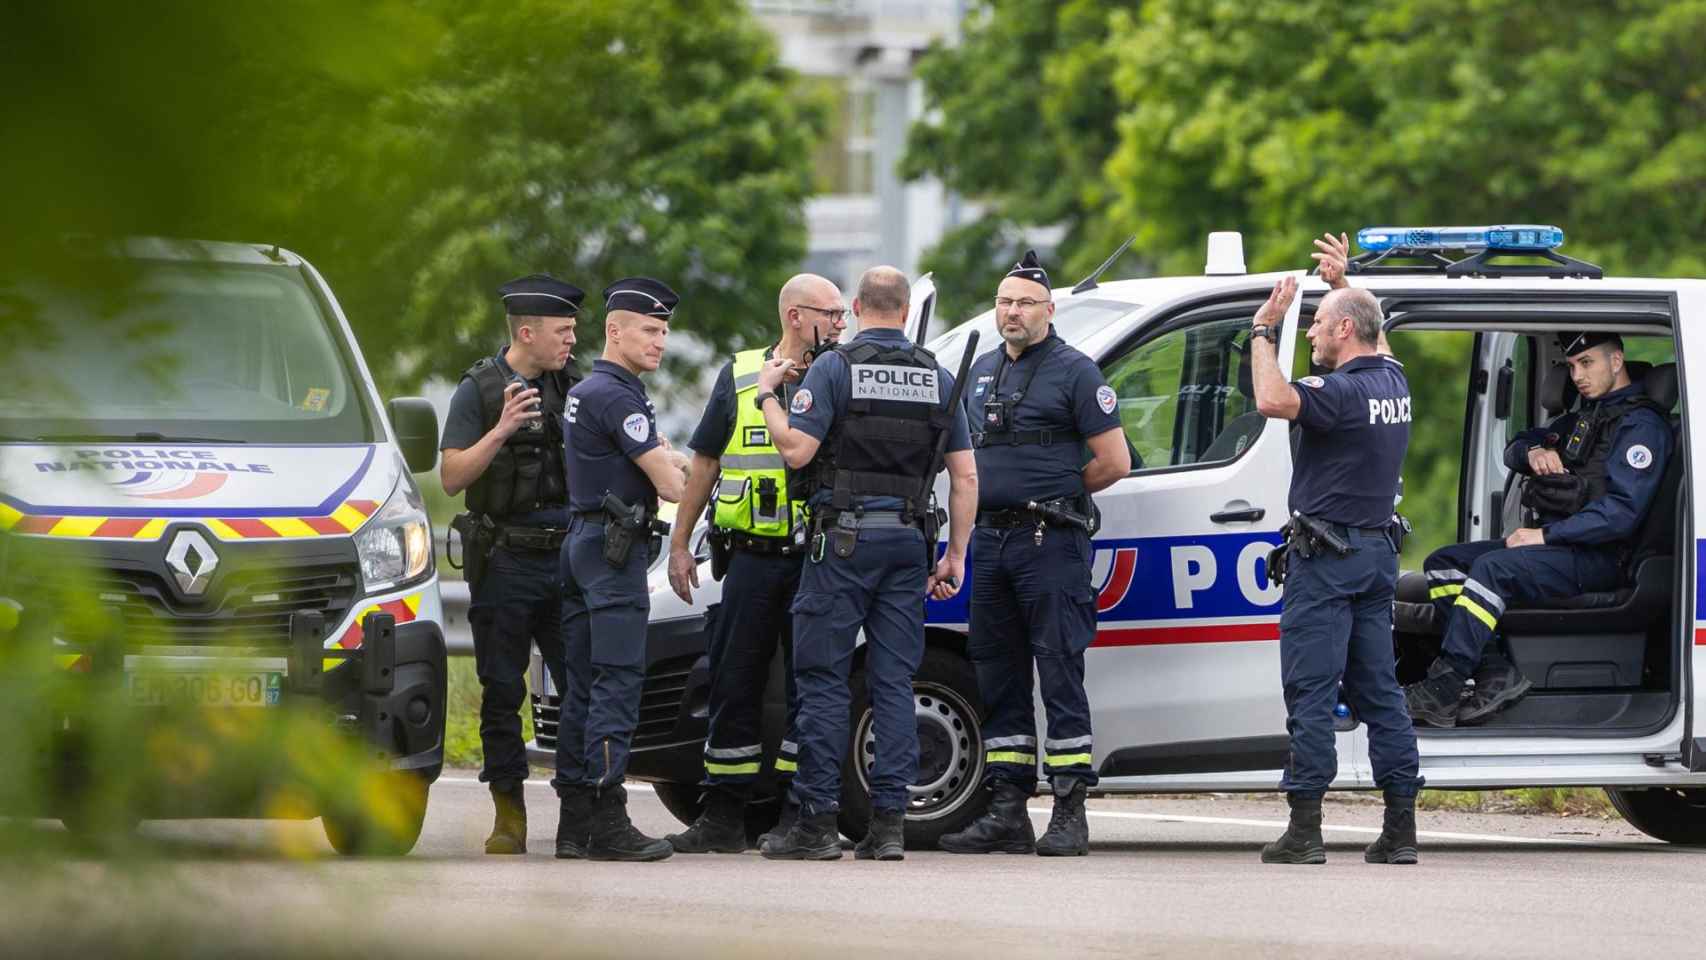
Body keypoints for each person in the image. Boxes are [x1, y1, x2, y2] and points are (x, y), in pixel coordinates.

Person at [753, 265, 977, 862]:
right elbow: (965, 476)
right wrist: (954, 552)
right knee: (894, 682)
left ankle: (818, 823)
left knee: (824, 682)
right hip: (909, 546)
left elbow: (797, 450)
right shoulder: (937, 376)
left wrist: (767, 397)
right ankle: (888, 827)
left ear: (856, 306)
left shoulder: (834, 368)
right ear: (904, 310)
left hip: (842, 545)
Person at [936, 251, 1129, 858]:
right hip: (991, 542)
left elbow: (1115, 461)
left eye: (1022, 302)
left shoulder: (1077, 373)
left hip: (1051, 542)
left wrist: (1056, 496)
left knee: (1060, 672)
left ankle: (1070, 811)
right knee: (999, 675)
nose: (1010, 312)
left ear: (1049, 310)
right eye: (1002, 301)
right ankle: (1007, 810)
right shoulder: (983, 370)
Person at [663, 273, 847, 853]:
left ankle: (797, 814)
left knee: (808, 688)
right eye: (833, 313)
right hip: (749, 559)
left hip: (817, 557)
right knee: (732, 681)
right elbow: (705, 463)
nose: (843, 324)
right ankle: (722, 816)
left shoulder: (841, 374)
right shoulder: (741, 374)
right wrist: (679, 542)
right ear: (796, 316)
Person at [1404, 331, 1672, 727]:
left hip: (1603, 558)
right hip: (1564, 551)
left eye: (1588, 363)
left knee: (1493, 569)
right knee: (1443, 563)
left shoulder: (1642, 427)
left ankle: (1446, 684)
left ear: (1617, 361)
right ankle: (1495, 672)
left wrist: (1545, 536)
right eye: (1571, 366)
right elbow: (1516, 446)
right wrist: (1536, 451)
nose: (1577, 375)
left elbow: (1621, 514)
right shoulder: (1584, 417)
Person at [1248, 265, 1422, 866]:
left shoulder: (1340, 393)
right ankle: (1401, 829)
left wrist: (1263, 331)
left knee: (1311, 693)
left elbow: (1272, 398)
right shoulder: (1393, 384)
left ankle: (1305, 829)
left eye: (1320, 323)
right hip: (1375, 556)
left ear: (1346, 329)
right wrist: (1343, 282)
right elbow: (1378, 341)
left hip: (1325, 561)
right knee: (1380, 693)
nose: (1313, 334)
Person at [439, 273, 581, 856]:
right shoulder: (478, 389)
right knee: (502, 690)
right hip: (505, 561)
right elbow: (451, 477)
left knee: (581, 687)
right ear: (527, 331)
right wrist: (500, 429)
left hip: (568, 558)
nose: (571, 341)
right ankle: (509, 814)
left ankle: (578, 813)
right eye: (562, 331)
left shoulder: (575, 385)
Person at [552, 277, 690, 862]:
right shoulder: (618, 395)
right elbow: (671, 484)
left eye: (664, 332)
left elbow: (646, 456)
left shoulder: (592, 390)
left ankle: (573, 826)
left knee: (582, 687)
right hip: (613, 553)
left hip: (583, 543)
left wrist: (670, 458)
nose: (660, 342)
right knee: (617, 681)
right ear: (615, 331)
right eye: (650, 331)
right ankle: (608, 822)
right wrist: (688, 474)